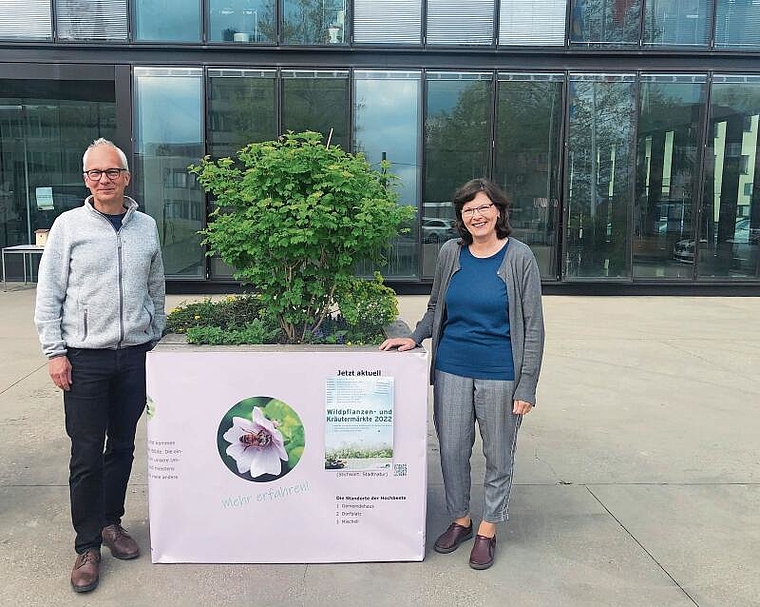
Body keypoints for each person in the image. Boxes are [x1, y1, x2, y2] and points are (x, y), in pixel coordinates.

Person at [380, 178, 544, 570]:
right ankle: (461, 519)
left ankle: (488, 527)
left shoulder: (520, 258)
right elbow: (437, 305)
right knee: (452, 450)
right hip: (452, 367)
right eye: (469, 210)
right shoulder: (451, 254)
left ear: (499, 212)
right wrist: (416, 337)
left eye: (484, 207)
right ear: (461, 218)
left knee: (497, 454)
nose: (477, 215)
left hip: (501, 373)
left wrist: (528, 385)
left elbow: (533, 326)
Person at [34, 138, 166, 592]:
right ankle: (87, 544)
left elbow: (155, 287)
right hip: (84, 358)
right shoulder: (68, 226)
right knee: (86, 453)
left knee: (123, 446)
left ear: (126, 176)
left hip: (133, 356)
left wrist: (155, 335)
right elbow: (48, 293)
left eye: (111, 172)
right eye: (94, 173)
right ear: (85, 178)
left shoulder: (145, 226)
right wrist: (55, 352)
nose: (103, 180)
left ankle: (112, 524)